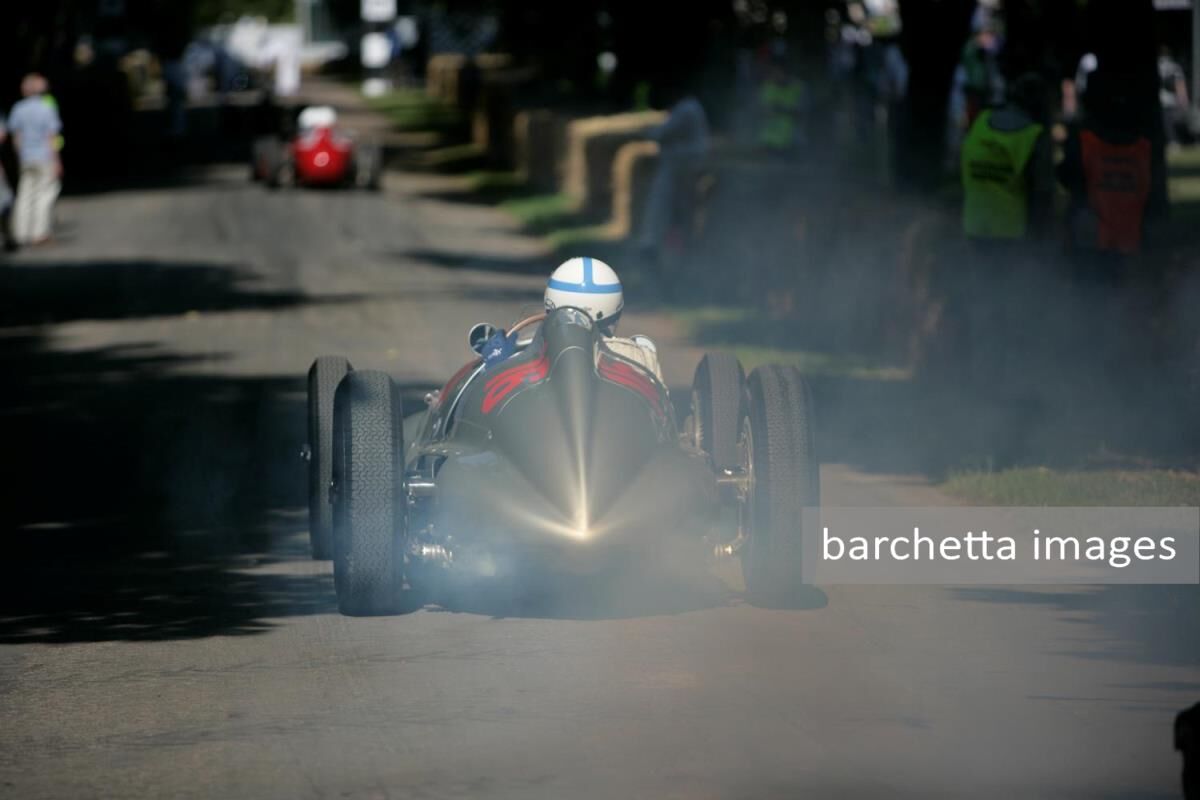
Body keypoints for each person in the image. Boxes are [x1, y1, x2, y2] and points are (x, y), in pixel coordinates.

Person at [482, 257, 662, 382]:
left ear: (550, 306)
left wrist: (498, 365)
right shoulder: (641, 359)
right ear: (615, 313)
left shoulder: (522, 357)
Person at [1057, 70, 1153, 266]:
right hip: (1130, 242)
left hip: (1090, 243)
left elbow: (1066, 177)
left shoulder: (1084, 142)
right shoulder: (1142, 146)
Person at [636, 90, 710, 260]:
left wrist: (646, 132)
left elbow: (662, 133)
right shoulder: (691, 106)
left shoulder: (686, 109)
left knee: (662, 204)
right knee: (679, 210)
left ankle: (653, 245)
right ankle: (675, 248)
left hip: (680, 164)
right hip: (687, 163)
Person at [8, 74, 62, 246]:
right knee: (45, 193)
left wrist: (20, 157)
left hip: (26, 157)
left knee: (25, 195)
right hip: (44, 156)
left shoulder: (17, 108)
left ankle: (21, 232)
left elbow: (17, 137)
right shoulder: (46, 107)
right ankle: (39, 233)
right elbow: (51, 136)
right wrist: (56, 160)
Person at [1158, 47, 1190, 150]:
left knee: (1167, 123)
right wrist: (1184, 100)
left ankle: (1173, 142)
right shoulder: (1175, 66)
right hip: (1171, 100)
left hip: (1163, 99)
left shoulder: (1160, 65)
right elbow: (1180, 84)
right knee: (1170, 123)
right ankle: (1173, 142)